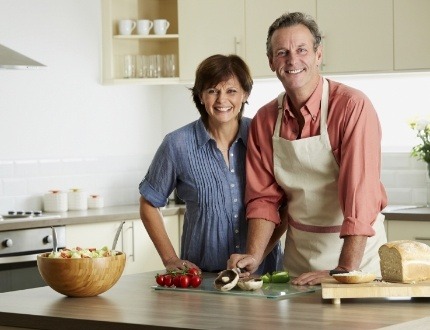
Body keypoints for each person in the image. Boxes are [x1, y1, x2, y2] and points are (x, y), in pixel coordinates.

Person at [228, 12, 388, 285]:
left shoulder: (351, 107)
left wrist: (345, 269)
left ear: (318, 55)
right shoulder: (265, 120)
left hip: (356, 259)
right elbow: (264, 200)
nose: (293, 60)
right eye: (282, 52)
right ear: (271, 62)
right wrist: (254, 255)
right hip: (298, 264)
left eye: (302, 49)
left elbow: (360, 197)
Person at [139, 54, 283, 273]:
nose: (221, 100)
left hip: (263, 276)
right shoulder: (177, 144)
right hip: (203, 276)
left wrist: (258, 256)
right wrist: (169, 258)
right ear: (200, 96)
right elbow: (149, 203)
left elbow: (286, 203)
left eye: (231, 91)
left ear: (245, 94)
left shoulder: (264, 136)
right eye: (212, 91)